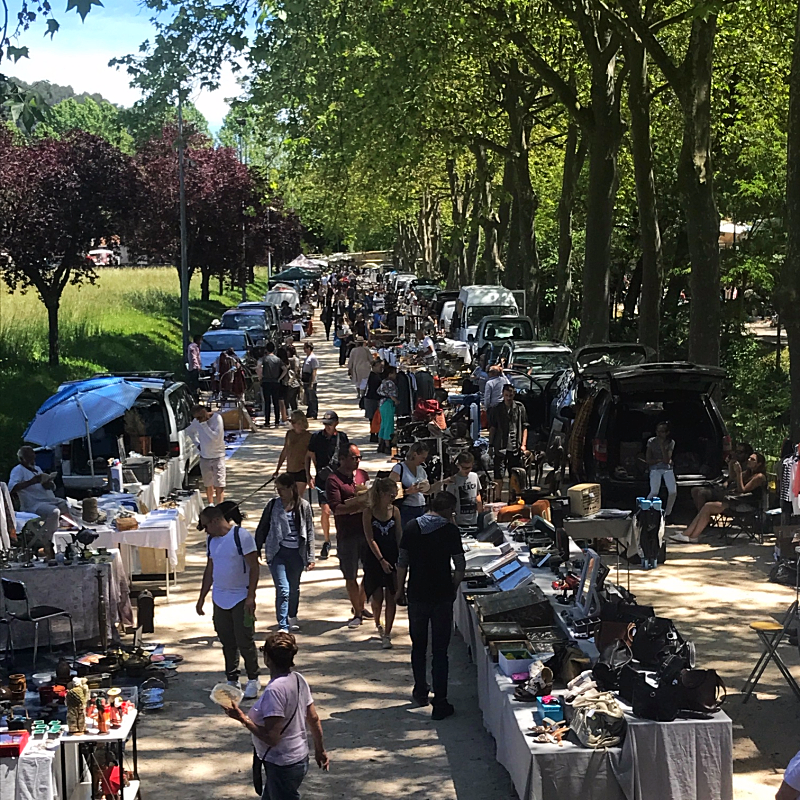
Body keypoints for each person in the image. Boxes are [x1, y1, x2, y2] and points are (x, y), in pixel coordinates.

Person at [223, 632, 329, 800]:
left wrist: (242, 718)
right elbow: (313, 719)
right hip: (299, 758)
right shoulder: (298, 679)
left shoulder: (274, 691)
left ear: (267, 659)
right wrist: (320, 750)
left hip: (282, 764)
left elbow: (272, 738)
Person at [396, 492, 465, 720]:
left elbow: (402, 562)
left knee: (418, 645)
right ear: (448, 510)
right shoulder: (450, 530)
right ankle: (441, 700)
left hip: (417, 593)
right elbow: (460, 564)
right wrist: (454, 587)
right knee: (440, 651)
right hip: (441, 595)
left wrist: (399, 590)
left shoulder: (412, 527)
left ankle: (420, 689)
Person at [196, 504, 261, 699]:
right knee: (226, 640)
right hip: (220, 597)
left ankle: (253, 678)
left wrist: (251, 596)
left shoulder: (241, 537)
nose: (205, 530)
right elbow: (210, 570)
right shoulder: (211, 540)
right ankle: (232, 678)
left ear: (216, 521)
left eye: (206, 525)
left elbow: (254, 567)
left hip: (240, 596)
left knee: (245, 640)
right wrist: (202, 598)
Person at [256, 475, 316, 633]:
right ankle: (282, 624)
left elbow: (309, 532)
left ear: (292, 488)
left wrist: (310, 557)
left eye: (282, 489)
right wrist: (257, 550)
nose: (280, 492)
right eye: (278, 489)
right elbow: (262, 528)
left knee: (294, 588)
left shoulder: (304, 506)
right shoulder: (273, 505)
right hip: (278, 553)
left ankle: (292, 616)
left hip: (297, 553)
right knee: (283, 589)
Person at [671, 451, 768, 543]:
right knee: (707, 506)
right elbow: (732, 479)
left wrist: (739, 473)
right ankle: (689, 534)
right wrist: (731, 465)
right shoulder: (748, 473)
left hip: (747, 505)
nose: (749, 460)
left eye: (752, 460)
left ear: (759, 464)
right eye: (749, 458)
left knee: (708, 506)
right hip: (736, 501)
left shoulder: (759, 477)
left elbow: (742, 489)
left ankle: (692, 535)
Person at [325, 445, 371, 628]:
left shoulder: (363, 475)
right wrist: (357, 505)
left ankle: (360, 605)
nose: (357, 460)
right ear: (342, 459)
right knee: (350, 574)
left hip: (367, 530)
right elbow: (336, 508)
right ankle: (357, 612)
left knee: (370, 572)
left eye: (359, 457)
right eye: (353, 457)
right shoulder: (333, 480)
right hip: (347, 534)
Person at [8, 446, 73, 554]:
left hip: (47, 499)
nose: (32, 461)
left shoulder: (37, 468)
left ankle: (70, 533)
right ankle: (47, 542)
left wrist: (47, 483)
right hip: (33, 504)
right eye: (29, 458)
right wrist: (32, 481)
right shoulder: (18, 470)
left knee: (65, 504)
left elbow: (43, 484)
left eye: (33, 458)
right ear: (22, 459)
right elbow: (12, 488)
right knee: (54, 512)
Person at [362, 477, 402, 649]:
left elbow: (399, 535)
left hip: (392, 555)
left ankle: (387, 633)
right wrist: (381, 560)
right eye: (390, 495)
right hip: (374, 557)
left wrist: (402, 558)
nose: (392, 497)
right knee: (377, 597)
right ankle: (377, 621)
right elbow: (370, 538)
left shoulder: (395, 511)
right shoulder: (368, 512)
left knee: (391, 596)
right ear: (381, 494)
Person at [305, 411, 349, 560]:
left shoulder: (342, 438)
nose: (327, 427)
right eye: (325, 424)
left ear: (336, 423)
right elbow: (309, 456)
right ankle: (326, 541)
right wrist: (308, 475)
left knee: (341, 510)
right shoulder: (316, 437)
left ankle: (342, 539)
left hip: (340, 479)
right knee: (325, 510)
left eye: (330, 424)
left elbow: (349, 457)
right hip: (323, 480)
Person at [488, 383, 529, 501]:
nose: (509, 398)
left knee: (514, 473)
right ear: (503, 395)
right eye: (506, 395)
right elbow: (493, 428)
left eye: (511, 395)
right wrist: (490, 445)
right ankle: (497, 498)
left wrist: (523, 445)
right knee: (498, 473)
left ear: (514, 394)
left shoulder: (520, 408)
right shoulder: (497, 409)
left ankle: (514, 497)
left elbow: (525, 426)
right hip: (500, 446)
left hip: (515, 446)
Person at [691, 442, 753, 510]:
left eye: (740, 452)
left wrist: (736, 474)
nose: (737, 454)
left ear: (746, 454)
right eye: (736, 452)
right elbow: (731, 477)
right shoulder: (737, 464)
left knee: (701, 493)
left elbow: (736, 479)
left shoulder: (748, 469)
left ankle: (702, 516)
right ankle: (701, 514)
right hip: (726, 490)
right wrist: (731, 463)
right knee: (695, 490)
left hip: (733, 495)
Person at [187, 405, 227, 505]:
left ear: (204, 412)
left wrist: (204, 425)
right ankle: (210, 504)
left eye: (199, 417)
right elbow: (189, 431)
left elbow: (216, 437)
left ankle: (220, 505)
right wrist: (197, 444)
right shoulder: (197, 422)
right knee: (208, 483)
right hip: (205, 456)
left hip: (218, 456)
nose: (198, 420)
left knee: (219, 483)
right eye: (197, 418)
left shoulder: (217, 418)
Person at [391, 442, 430, 529]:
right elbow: (389, 490)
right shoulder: (399, 468)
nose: (423, 461)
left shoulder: (421, 470)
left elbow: (427, 491)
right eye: (422, 457)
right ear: (415, 454)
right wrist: (407, 491)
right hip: (406, 509)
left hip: (421, 508)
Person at [274, 411, 312, 500]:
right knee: (289, 498)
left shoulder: (309, 436)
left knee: (297, 498)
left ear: (300, 422)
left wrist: (308, 475)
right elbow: (285, 452)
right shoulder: (289, 434)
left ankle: (299, 513)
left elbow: (310, 456)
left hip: (301, 470)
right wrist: (277, 469)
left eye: (293, 422)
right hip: (290, 470)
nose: (292, 424)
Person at [646, 422, 677, 520]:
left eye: (662, 432)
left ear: (667, 433)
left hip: (667, 469)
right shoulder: (651, 441)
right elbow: (648, 460)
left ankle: (667, 513)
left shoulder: (670, 442)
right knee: (654, 491)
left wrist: (662, 446)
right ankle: (645, 510)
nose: (659, 434)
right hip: (655, 469)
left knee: (672, 491)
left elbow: (667, 460)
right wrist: (658, 460)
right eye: (657, 431)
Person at [443, 452, 483, 529]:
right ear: (458, 465)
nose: (467, 470)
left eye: (470, 467)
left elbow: (477, 493)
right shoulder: (453, 480)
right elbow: (449, 502)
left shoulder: (474, 476)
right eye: (465, 468)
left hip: (474, 520)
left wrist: (480, 507)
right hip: (460, 522)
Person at [260, 342, 287, 428]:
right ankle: (276, 421)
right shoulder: (278, 360)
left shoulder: (264, 359)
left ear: (266, 349)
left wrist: (260, 377)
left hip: (266, 382)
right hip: (276, 382)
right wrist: (279, 378)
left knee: (267, 402)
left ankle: (267, 421)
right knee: (276, 402)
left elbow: (258, 367)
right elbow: (285, 369)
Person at [377, 369, 398, 455]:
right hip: (388, 404)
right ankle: (387, 445)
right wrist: (396, 401)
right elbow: (391, 394)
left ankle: (380, 444)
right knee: (389, 425)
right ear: (390, 374)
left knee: (383, 424)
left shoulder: (383, 382)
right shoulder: (390, 383)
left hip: (382, 404)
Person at [364, 360, 385, 442]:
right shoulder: (373, 377)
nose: (381, 368)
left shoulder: (377, 375)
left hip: (373, 399)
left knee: (375, 418)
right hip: (371, 399)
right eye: (380, 366)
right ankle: (373, 434)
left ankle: (375, 433)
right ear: (374, 366)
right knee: (373, 418)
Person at [301, 342, 319, 420]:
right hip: (306, 380)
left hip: (311, 380)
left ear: (309, 348)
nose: (304, 350)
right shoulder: (307, 357)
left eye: (305, 348)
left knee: (312, 397)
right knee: (308, 397)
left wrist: (312, 382)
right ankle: (309, 412)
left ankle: (314, 413)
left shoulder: (313, 358)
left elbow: (314, 370)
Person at [284, 345, 303, 413]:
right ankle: (295, 414)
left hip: (291, 383)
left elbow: (295, 371)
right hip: (296, 383)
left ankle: (289, 415)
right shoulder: (297, 359)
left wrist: (289, 381)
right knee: (293, 401)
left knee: (287, 400)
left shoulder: (290, 360)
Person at [187, 333, 203, 399]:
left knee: (195, 381)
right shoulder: (194, 347)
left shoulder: (194, 346)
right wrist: (198, 366)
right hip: (194, 367)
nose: (201, 342)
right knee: (195, 381)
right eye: (200, 340)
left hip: (193, 367)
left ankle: (196, 392)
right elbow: (194, 357)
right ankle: (195, 394)